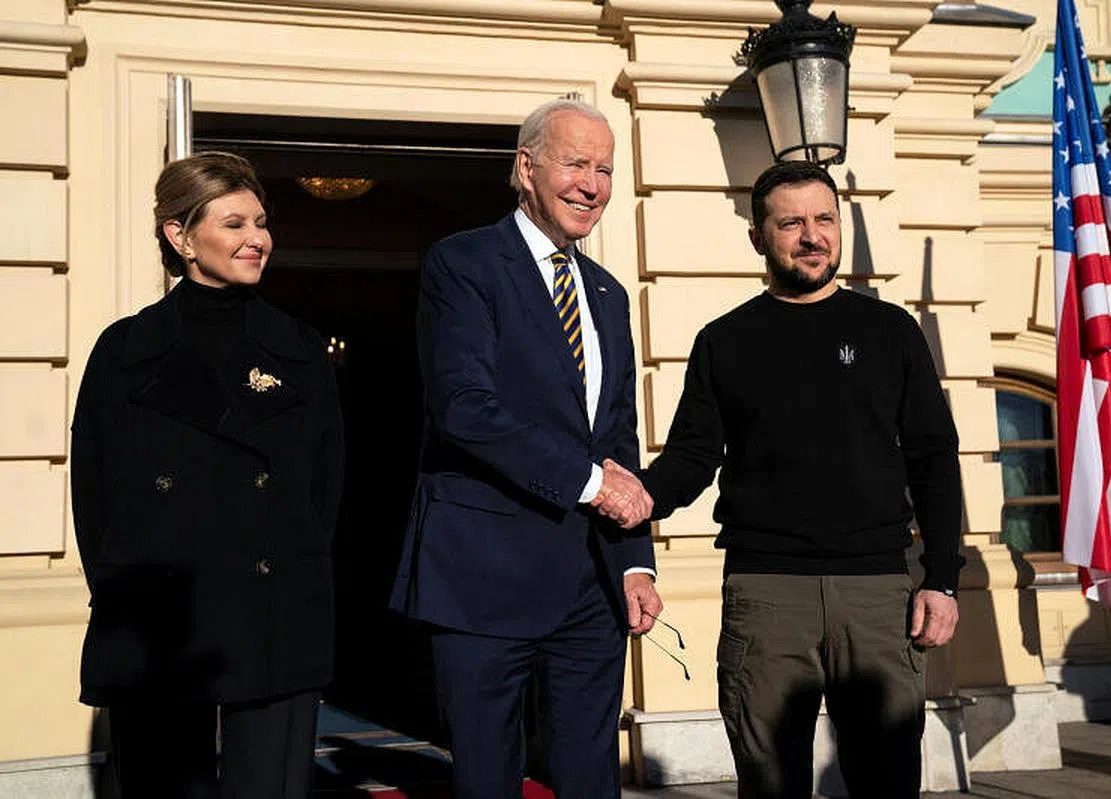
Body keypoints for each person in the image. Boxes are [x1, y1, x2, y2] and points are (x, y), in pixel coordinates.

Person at [600, 160, 964, 797]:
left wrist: (941, 579)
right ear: (759, 237)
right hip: (765, 595)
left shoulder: (891, 333)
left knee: (889, 781)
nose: (812, 235)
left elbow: (934, 460)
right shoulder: (724, 341)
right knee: (770, 785)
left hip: (877, 594)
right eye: (791, 222)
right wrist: (641, 495)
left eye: (825, 219)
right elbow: (691, 456)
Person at [389, 98, 662, 799]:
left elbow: (618, 438)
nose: (592, 184)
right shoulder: (464, 262)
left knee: (590, 779)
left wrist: (635, 563)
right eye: (575, 163)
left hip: (590, 586)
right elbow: (464, 408)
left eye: (604, 169)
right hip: (482, 576)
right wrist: (589, 483)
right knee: (487, 779)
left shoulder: (606, 294)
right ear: (526, 168)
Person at [70, 152, 344, 798]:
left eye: (262, 222)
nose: (258, 239)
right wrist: (128, 587)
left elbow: (323, 490)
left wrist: (294, 572)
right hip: (159, 618)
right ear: (180, 235)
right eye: (234, 223)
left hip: (274, 614)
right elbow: (95, 495)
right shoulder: (123, 350)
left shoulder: (300, 350)